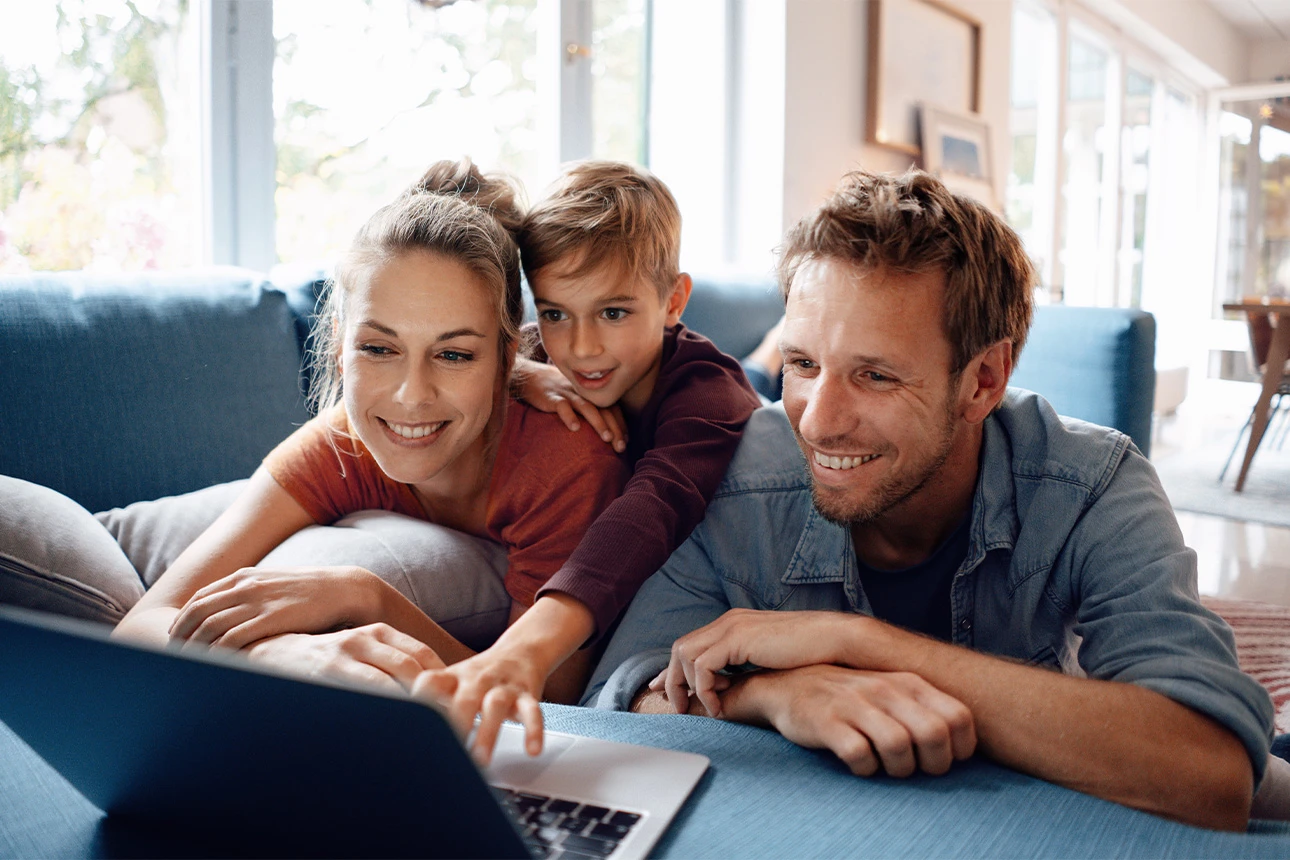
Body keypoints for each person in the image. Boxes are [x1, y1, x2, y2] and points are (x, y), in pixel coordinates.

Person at [583, 169, 1278, 831]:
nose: (818, 422)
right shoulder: (732, 475)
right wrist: (771, 693)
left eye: (876, 376)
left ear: (983, 380)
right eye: (801, 364)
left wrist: (862, 645)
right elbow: (618, 696)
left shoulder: (1091, 483)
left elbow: (1210, 773)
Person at [115, 159, 629, 727]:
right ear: (340, 347)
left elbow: (550, 698)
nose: (411, 396)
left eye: (454, 354)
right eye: (379, 349)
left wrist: (366, 597)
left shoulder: (566, 460)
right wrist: (268, 653)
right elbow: (143, 624)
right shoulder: (345, 441)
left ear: (506, 361)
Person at [415, 161, 761, 762]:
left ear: (674, 300)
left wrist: (524, 648)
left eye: (613, 312)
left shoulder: (709, 398)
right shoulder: (542, 353)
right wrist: (522, 373)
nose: (580, 348)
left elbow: (650, 510)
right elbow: (483, 358)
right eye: (555, 313)